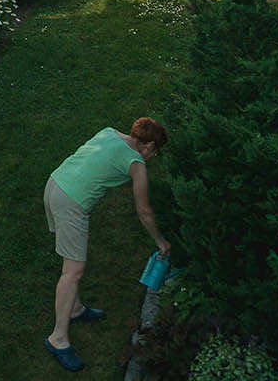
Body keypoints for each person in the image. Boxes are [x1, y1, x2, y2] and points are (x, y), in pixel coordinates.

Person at [41, 116, 170, 372]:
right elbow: (144, 212)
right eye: (155, 150)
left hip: (55, 184)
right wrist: (160, 241)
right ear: (147, 145)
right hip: (71, 204)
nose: (154, 156)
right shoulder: (136, 164)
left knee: (71, 263)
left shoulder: (109, 132)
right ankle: (58, 338)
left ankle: (75, 308)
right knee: (73, 271)